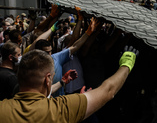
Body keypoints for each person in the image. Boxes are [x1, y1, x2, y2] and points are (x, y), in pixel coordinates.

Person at [0, 46, 138, 123]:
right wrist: (126, 64)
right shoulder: (62, 109)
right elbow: (108, 91)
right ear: (48, 80)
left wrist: (61, 82)